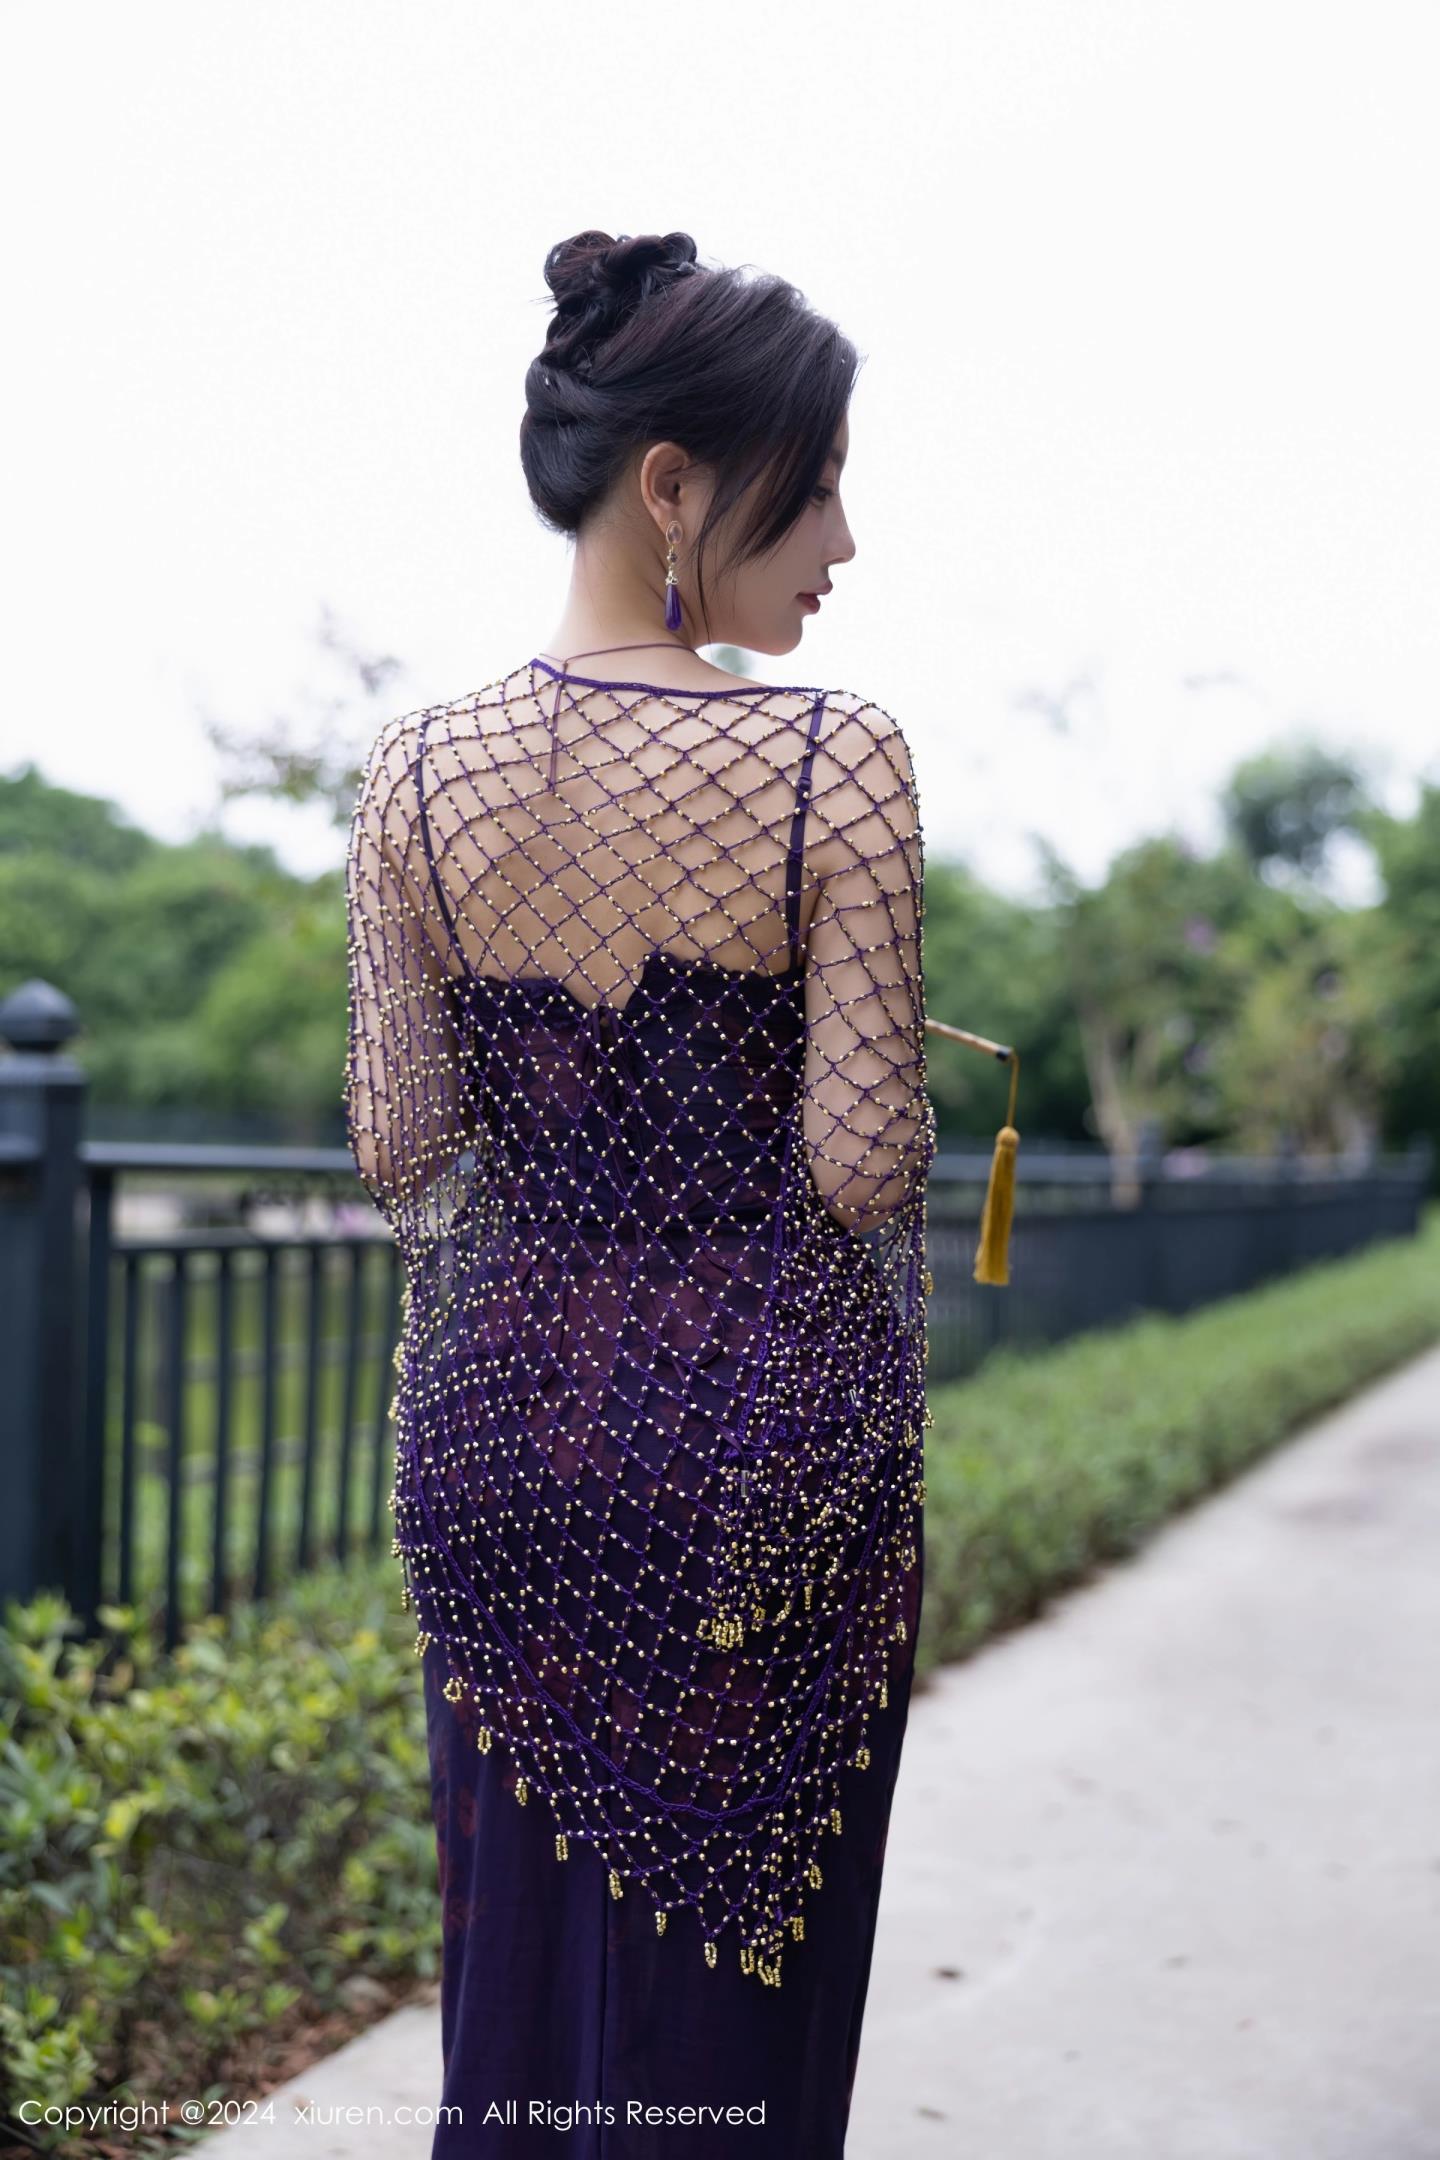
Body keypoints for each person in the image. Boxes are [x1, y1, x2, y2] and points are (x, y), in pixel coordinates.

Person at [344, 228, 936, 2157]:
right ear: (673, 484)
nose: (844, 538)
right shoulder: (836, 759)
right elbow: (859, 1163)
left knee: (522, 1977)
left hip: (505, 1430)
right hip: (761, 1439)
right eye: (817, 484)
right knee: (732, 2006)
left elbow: (400, 1143)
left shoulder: (415, 772)